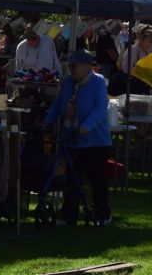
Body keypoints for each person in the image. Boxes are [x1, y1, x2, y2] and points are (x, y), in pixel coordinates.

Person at [43, 49, 112, 226]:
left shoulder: (98, 83)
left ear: (87, 67)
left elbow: (100, 110)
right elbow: (59, 104)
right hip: (71, 139)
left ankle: (102, 214)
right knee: (71, 180)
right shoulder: (67, 83)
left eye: (74, 66)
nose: (71, 69)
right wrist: (48, 122)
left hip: (94, 141)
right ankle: (68, 215)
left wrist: (85, 127)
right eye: (70, 65)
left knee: (97, 179)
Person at [120, 28, 152, 94]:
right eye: (149, 41)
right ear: (142, 40)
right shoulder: (134, 50)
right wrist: (142, 73)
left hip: (142, 85)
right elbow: (126, 69)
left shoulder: (146, 50)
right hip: (133, 86)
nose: (151, 44)